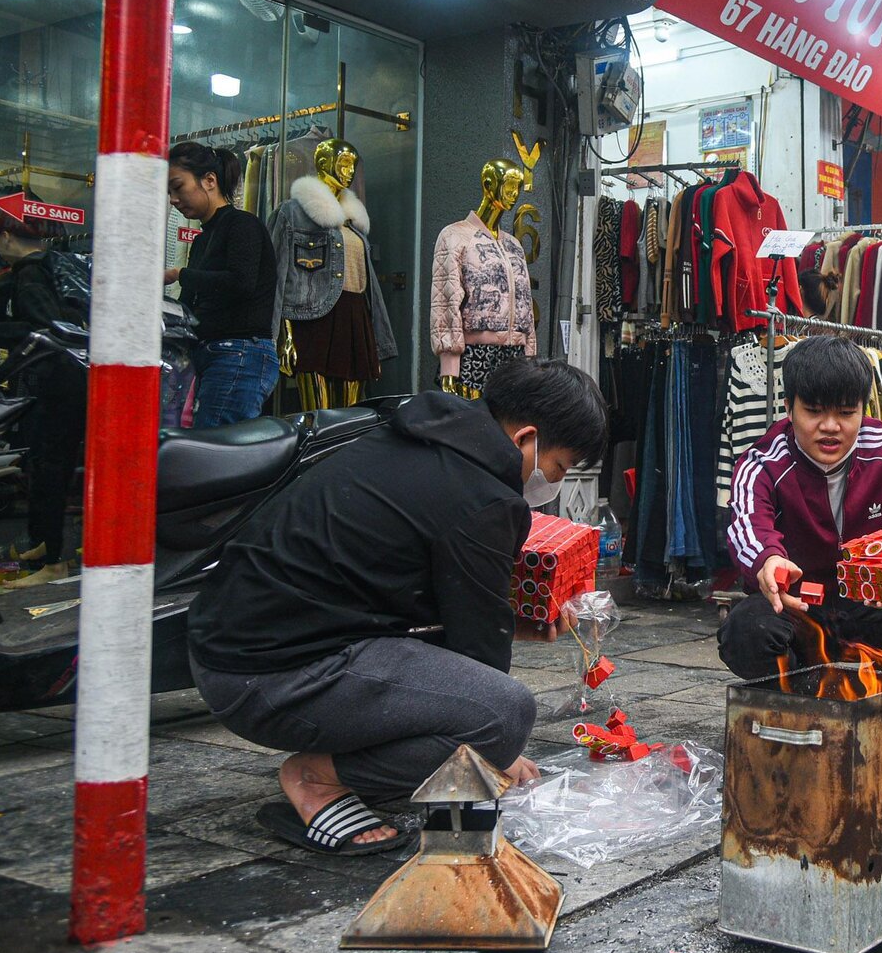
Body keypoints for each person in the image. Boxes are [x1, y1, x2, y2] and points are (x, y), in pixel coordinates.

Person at [186, 359, 606, 855]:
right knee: (506, 713)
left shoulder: (415, 438)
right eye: (558, 467)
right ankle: (316, 777)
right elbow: (479, 662)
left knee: (489, 713)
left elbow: (414, 597)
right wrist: (496, 749)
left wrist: (513, 626)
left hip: (232, 650)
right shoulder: (483, 497)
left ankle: (344, 762)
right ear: (526, 439)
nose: (553, 483)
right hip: (271, 678)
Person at [720, 336, 882, 679]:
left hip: (878, 609)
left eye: (845, 413)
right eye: (813, 411)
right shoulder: (763, 462)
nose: (830, 427)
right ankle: (805, 691)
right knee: (745, 631)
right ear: (788, 406)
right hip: (798, 609)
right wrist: (768, 561)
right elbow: (748, 525)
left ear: (863, 408)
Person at [0, 213, 88, 589]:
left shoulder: (29, 274)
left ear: (6, 235)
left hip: (60, 382)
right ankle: (50, 547)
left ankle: (54, 560)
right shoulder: (58, 266)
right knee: (53, 465)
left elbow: (46, 328)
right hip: (75, 380)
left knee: (50, 467)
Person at [165, 141, 281, 427]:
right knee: (209, 448)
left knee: (215, 453)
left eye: (178, 186)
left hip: (239, 353)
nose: (173, 199)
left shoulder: (243, 225)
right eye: (169, 192)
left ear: (210, 180)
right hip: (217, 354)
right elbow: (190, 304)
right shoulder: (203, 238)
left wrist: (180, 274)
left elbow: (241, 283)